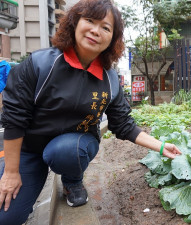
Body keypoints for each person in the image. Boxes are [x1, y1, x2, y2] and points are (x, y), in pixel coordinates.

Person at [0, 0, 181, 224]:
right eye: (90, 21)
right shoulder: (40, 64)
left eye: (106, 27)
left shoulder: (110, 79)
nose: (96, 31)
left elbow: (123, 124)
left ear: (112, 38)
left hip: (72, 147)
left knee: (65, 151)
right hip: (30, 149)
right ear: (75, 23)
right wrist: (10, 173)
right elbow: (14, 118)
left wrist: (162, 147)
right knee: (6, 217)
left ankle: (72, 180)